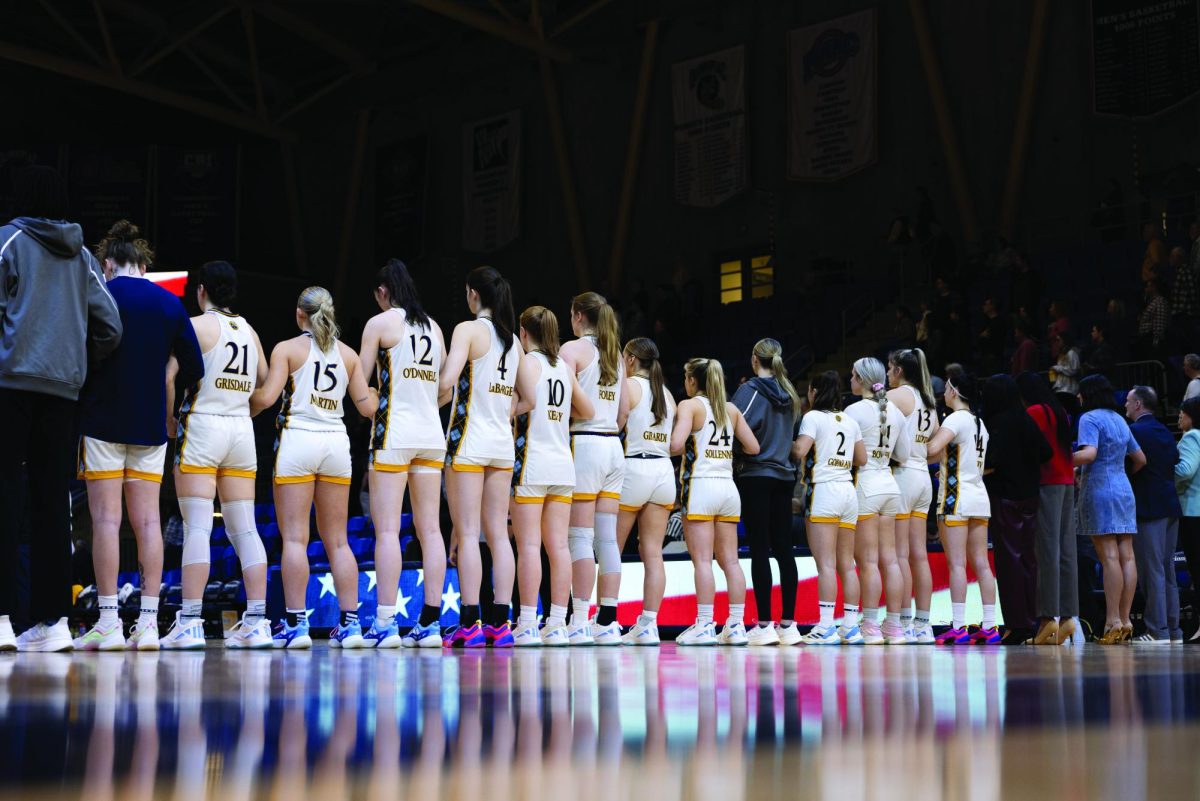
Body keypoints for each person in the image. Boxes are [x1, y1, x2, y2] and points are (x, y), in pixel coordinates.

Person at [0, 167, 123, 651]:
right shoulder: (82, 256)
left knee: (5, 497)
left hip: (11, 385)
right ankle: (52, 625)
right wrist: (76, 359)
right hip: (64, 393)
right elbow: (111, 324)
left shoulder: (8, 239)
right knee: (53, 503)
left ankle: (3, 619)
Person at [73, 221, 203, 652]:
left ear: (107, 263)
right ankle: (148, 624)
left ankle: (108, 622)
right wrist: (163, 376)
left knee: (106, 522)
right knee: (148, 521)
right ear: (144, 265)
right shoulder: (168, 304)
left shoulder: (100, 294)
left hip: (102, 424)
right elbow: (195, 368)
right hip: (151, 427)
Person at [252, 286, 376, 649]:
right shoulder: (349, 355)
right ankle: (351, 624)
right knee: (338, 541)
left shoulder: (287, 349)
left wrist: (235, 401)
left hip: (298, 439)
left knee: (294, 538)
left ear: (299, 314)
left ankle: (296, 625)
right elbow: (367, 407)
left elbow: (267, 397)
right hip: (336, 443)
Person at [164, 261, 269, 651]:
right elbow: (263, 380)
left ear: (203, 289)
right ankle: (257, 621)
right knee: (245, 529)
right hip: (241, 430)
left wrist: (170, 421)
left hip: (203, 425)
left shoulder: (196, 325)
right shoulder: (249, 330)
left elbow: (168, 377)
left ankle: (189, 621)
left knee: (196, 528)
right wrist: (243, 407)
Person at [357, 259, 448, 648]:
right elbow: (446, 387)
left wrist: (372, 401)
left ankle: (385, 622)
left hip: (393, 434)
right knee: (431, 530)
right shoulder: (434, 326)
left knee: (389, 530)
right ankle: (430, 623)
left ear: (382, 291)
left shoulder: (379, 324)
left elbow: (359, 381)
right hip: (431, 435)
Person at [439, 266, 521, 648]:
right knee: (499, 537)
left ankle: (470, 622)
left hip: (468, 441)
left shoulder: (467, 330)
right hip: (502, 444)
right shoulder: (513, 342)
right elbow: (531, 397)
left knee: (469, 534)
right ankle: (501, 625)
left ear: (473, 294)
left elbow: (447, 379)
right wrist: (505, 412)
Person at [509, 306, 593, 646]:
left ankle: (528, 622)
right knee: (558, 546)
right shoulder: (562, 367)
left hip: (532, 461)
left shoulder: (527, 364)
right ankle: (558, 622)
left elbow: (512, 409)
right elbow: (587, 410)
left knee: (529, 545)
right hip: (563, 464)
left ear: (524, 333)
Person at [670, 358, 758, 645]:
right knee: (731, 561)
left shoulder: (690, 405)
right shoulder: (730, 410)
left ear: (693, 380)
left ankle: (705, 624)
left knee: (703, 561)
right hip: (728, 488)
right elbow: (753, 446)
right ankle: (736, 624)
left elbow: (675, 445)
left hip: (700, 487)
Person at [560, 292, 629, 645]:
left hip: (585, 444)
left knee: (580, 537)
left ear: (576, 315)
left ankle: (579, 619)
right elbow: (623, 414)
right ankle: (608, 618)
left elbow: (560, 403)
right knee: (607, 538)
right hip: (614, 448)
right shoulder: (616, 354)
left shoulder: (571, 351)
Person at [731, 339, 802, 646]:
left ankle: (764, 624)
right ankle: (788, 624)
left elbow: (735, 427)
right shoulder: (790, 393)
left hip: (756, 474)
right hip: (785, 477)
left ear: (753, 359)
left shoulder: (748, 392)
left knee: (760, 548)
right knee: (784, 550)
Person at [794, 371, 867, 645]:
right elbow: (862, 458)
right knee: (846, 564)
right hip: (848, 492)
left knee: (825, 564)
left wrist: (781, 446)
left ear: (813, 391)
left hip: (823, 491)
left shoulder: (812, 417)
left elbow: (800, 451)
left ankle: (825, 626)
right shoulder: (849, 420)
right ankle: (850, 627)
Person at [927, 374, 997, 645]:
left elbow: (932, 448)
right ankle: (989, 626)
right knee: (981, 563)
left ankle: (958, 626)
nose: (943, 393)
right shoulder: (979, 423)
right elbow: (946, 454)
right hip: (979, 497)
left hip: (956, 499)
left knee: (957, 564)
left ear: (954, 392)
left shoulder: (954, 419)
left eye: (946, 388)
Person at [1074, 374, 1145, 644]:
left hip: (1099, 489)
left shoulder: (1089, 418)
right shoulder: (1120, 420)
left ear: (1088, 394)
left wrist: (1062, 460)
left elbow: (1089, 454)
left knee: (1109, 559)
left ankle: (1112, 620)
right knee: (1127, 557)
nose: (1079, 398)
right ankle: (1125, 620)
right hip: (1124, 488)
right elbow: (1140, 459)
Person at [980, 375, 1050, 643]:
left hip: (1005, 498)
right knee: (1029, 561)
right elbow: (1046, 453)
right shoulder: (1025, 419)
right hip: (1031, 498)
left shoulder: (997, 424)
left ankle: (1016, 625)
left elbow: (992, 461)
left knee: (1008, 562)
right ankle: (1032, 620)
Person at [616, 338, 676, 645]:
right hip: (664, 471)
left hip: (634, 467)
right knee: (653, 553)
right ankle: (649, 624)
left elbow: (616, 423)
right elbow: (676, 443)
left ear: (629, 359)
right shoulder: (667, 394)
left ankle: (606, 620)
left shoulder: (629, 387)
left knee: (611, 547)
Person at [845, 358, 908, 645]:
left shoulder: (854, 411)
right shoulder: (894, 411)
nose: (850, 380)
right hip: (890, 487)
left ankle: (869, 624)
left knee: (868, 562)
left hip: (866, 487)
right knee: (890, 560)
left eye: (852, 375)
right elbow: (904, 454)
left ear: (860, 379)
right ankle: (893, 626)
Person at [1016, 372, 1080, 645]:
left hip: (1047, 482)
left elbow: (1029, 450)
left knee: (1046, 552)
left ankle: (1046, 619)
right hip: (1066, 482)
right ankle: (1067, 618)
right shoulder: (1059, 411)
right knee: (1067, 552)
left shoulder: (1034, 412)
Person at [886, 348, 939, 644]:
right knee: (920, 554)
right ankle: (923, 624)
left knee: (902, 554)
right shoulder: (929, 400)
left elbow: (870, 405)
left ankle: (904, 622)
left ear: (898, 371)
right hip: (923, 477)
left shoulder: (902, 395)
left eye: (888, 368)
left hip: (904, 475)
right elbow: (938, 446)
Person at [1124, 386, 1182, 645]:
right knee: (1167, 570)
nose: (1124, 406)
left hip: (1148, 509)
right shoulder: (1165, 431)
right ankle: (1173, 630)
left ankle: (1156, 630)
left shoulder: (1135, 431)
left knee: (1153, 571)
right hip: (1171, 506)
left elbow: (1129, 466)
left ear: (1137, 404)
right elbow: (1175, 460)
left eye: (1127, 401)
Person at [1172, 396, 1200, 642]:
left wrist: (1162, 471)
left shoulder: (1192, 437)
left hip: (1193, 512)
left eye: (1183, 412)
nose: (1179, 416)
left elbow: (1185, 470)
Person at [1050, 330, 1082, 418]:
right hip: (1060, 389)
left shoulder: (1072, 353)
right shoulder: (1061, 354)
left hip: (1069, 390)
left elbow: (1073, 369)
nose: (1057, 342)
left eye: (1058, 340)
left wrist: (1058, 368)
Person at [1135, 279, 1168, 357]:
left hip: (1151, 339)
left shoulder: (1159, 302)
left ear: (1154, 288)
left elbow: (1160, 323)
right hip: (1146, 339)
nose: (1145, 289)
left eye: (1148, 287)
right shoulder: (1150, 302)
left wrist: (1156, 341)